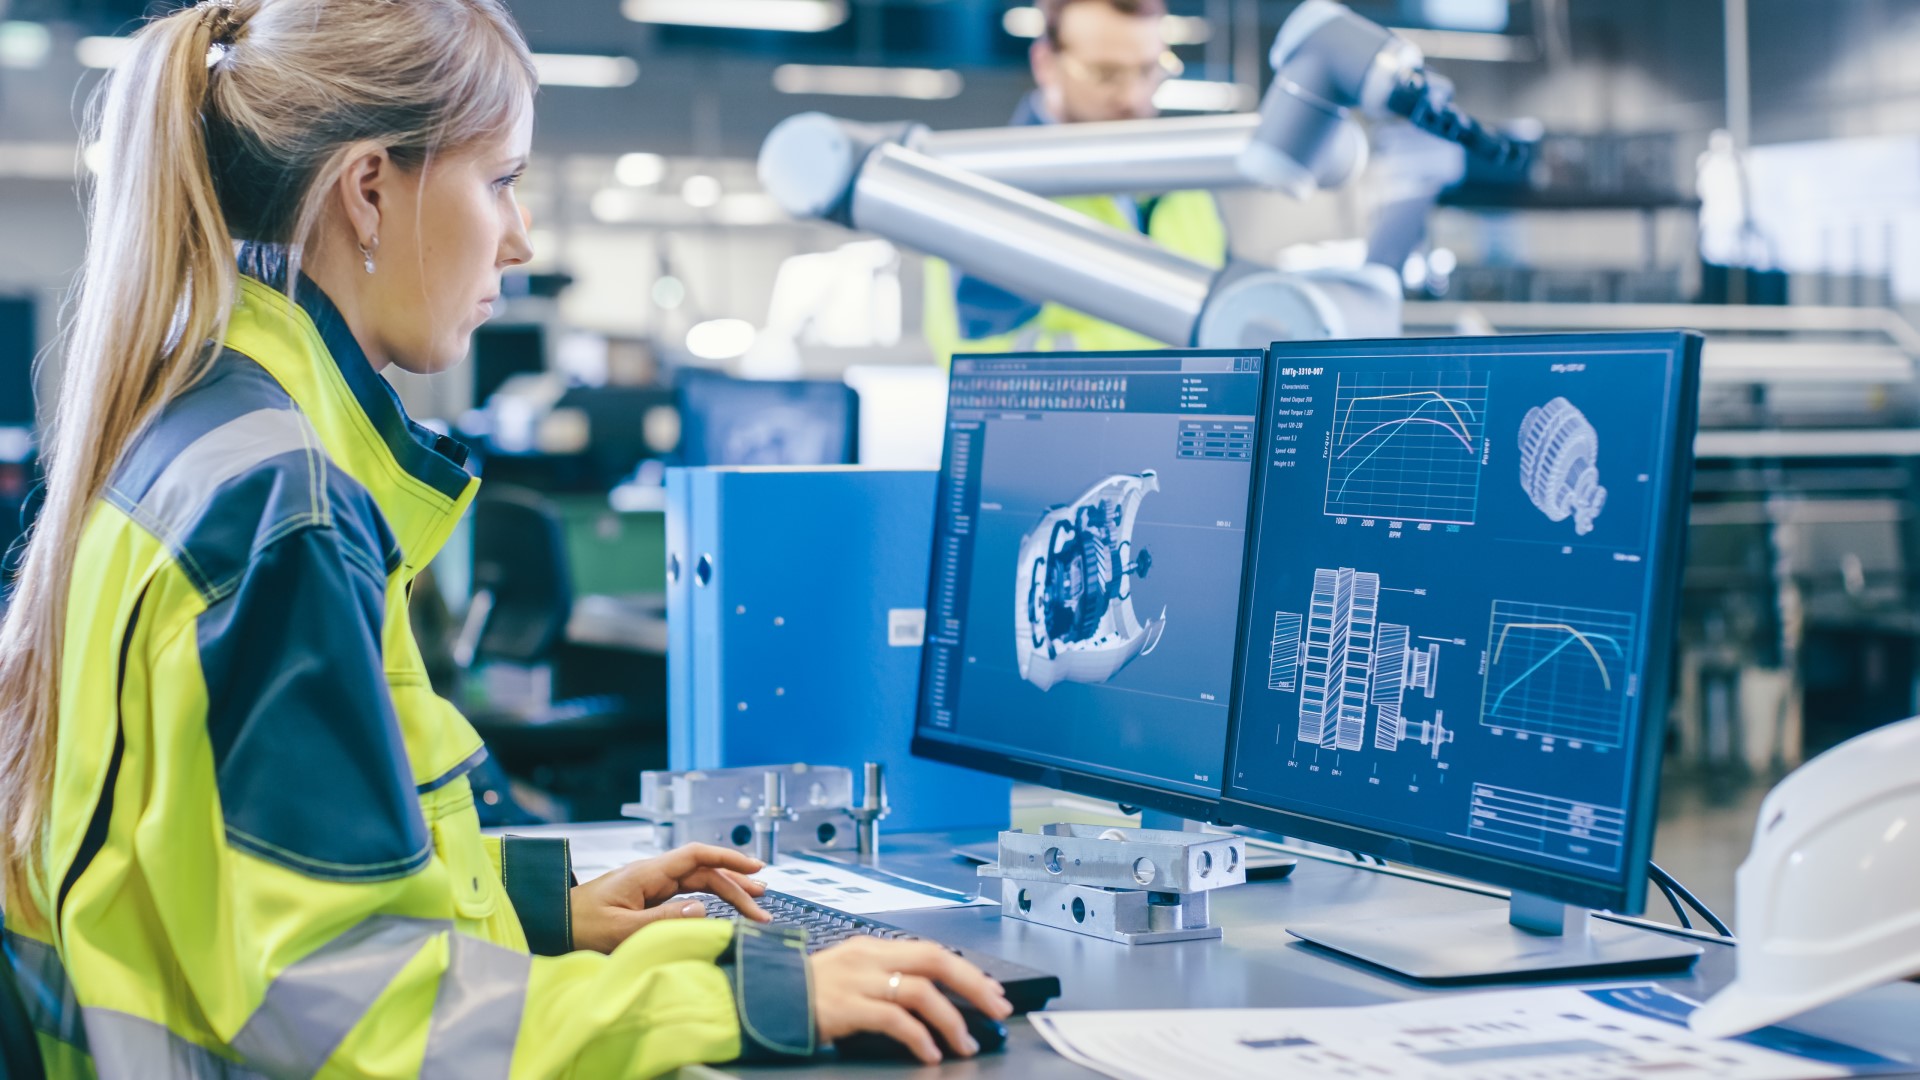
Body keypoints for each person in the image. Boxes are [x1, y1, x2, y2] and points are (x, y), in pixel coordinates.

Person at [0, 2, 1009, 1076]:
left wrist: (544, 908)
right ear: (371, 188)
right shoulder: (283, 504)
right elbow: (341, 1002)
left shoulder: (203, 430)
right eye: (500, 182)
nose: (520, 240)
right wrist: (758, 995)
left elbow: (248, 870)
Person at [923, 0, 1229, 360]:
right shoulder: (991, 194)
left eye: (1148, 70)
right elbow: (978, 365)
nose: (1132, 97)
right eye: (1104, 73)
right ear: (1045, 64)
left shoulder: (1188, 188)